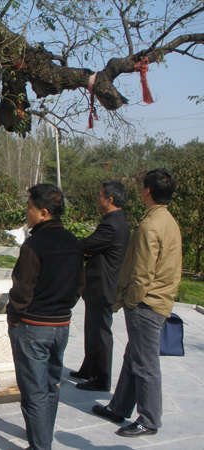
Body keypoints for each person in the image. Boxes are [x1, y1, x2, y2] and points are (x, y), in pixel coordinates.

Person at [93, 168, 182, 438]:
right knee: (134, 357)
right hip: (157, 300)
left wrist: (131, 301)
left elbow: (142, 273)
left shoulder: (150, 225)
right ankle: (119, 407)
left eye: (142, 186)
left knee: (145, 364)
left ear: (147, 191)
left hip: (146, 304)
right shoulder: (167, 221)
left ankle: (149, 420)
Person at [6, 184, 85, 450]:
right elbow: (79, 285)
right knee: (51, 386)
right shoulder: (73, 241)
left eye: (28, 207)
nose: (26, 213)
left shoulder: (34, 244)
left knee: (34, 393)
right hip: (61, 325)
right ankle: (43, 441)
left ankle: (41, 446)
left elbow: (22, 288)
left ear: (43, 212)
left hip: (34, 326)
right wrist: (62, 307)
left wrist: (14, 318)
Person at [70, 181, 130, 392]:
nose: (98, 198)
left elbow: (84, 245)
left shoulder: (111, 225)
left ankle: (101, 378)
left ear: (110, 199)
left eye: (100, 195)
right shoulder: (115, 221)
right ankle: (89, 368)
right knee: (92, 329)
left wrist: (82, 249)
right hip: (99, 284)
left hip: (104, 285)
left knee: (101, 333)